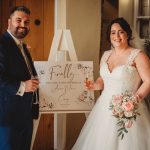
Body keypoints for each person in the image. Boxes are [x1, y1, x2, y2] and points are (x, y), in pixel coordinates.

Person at [72, 17, 150, 150]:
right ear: (109, 36)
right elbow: (103, 79)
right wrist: (94, 85)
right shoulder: (106, 55)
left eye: (121, 32)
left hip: (130, 107)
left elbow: (148, 81)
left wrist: (134, 100)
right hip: (104, 108)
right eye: (113, 32)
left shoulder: (138, 55)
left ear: (128, 34)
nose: (117, 36)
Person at [0, 6, 39, 150]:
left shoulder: (22, 46)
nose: (23, 24)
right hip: (7, 117)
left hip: (25, 114)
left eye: (26, 22)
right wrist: (23, 86)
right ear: (9, 23)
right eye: (19, 20)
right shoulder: (2, 44)